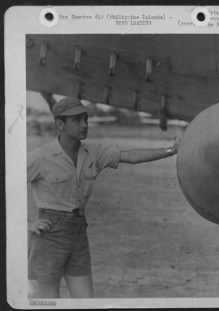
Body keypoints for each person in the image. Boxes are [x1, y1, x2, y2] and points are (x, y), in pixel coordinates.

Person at [27, 97, 181, 298]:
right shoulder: (40, 157)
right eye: (77, 120)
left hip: (78, 233)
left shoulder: (94, 153)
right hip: (49, 235)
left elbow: (131, 156)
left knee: (86, 302)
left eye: (85, 119)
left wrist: (172, 150)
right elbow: (7, 182)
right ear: (60, 124)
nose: (84, 125)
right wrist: (28, 223)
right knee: (48, 303)